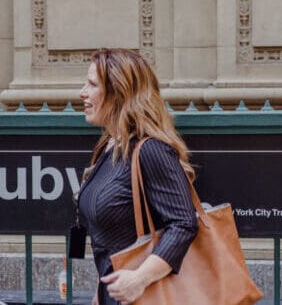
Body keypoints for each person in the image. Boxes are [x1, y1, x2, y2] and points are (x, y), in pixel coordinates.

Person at [76, 48, 198, 304]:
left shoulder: (150, 149)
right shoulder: (109, 146)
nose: (82, 93)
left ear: (119, 92)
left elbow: (184, 224)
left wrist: (139, 278)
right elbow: (111, 239)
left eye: (92, 85)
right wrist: (101, 290)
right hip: (117, 294)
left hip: (145, 294)